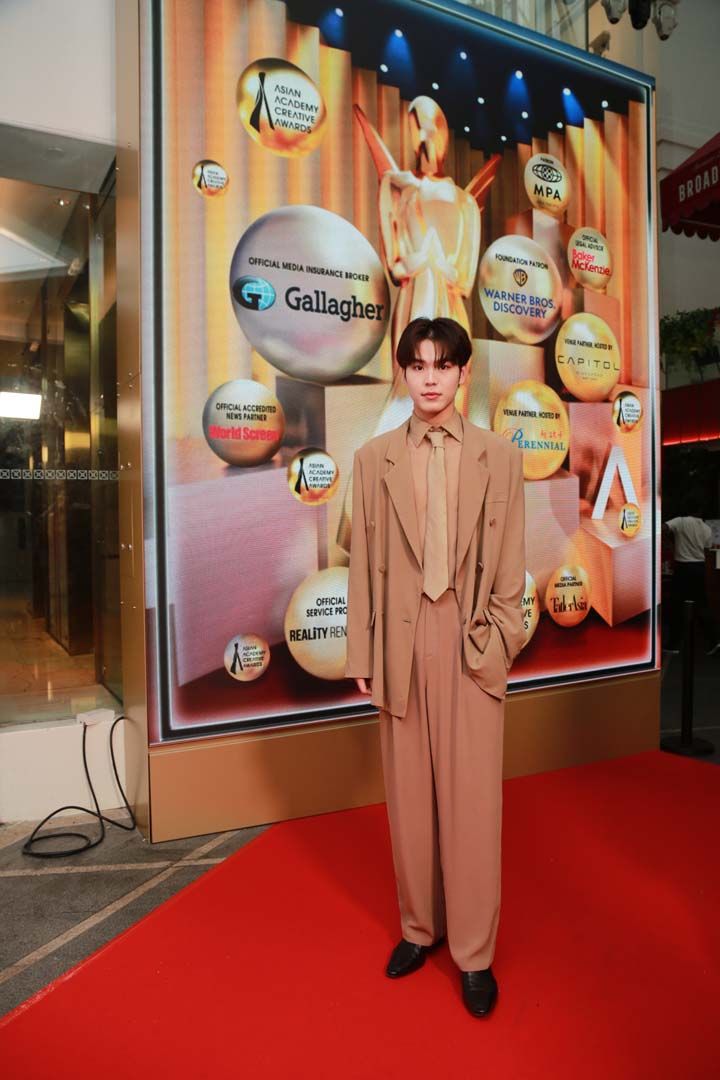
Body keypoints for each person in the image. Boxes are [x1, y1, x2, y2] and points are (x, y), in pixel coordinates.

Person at [345, 316, 526, 1018]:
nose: (429, 377)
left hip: (471, 638)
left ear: (462, 373)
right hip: (400, 639)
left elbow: (511, 560)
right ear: (404, 372)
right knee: (409, 800)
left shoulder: (499, 456)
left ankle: (474, 954)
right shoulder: (373, 459)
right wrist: (362, 651)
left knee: (473, 804)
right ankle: (420, 929)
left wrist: (500, 639)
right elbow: (363, 564)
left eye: (442, 365)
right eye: (417, 364)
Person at [664, 501, 720, 655]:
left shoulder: (680, 521)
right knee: (702, 605)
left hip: (683, 569)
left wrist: (669, 542)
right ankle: (714, 641)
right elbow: (707, 548)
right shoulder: (706, 528)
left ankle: (674, 644)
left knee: (676, 606)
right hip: (699, 568)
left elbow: (663, 528)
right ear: (700, 510)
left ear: (686, 508)